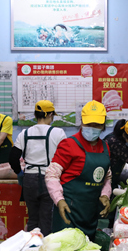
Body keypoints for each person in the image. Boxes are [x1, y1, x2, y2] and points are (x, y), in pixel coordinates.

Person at [45, 101, 112, 240]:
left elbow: (107, 177)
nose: (92, 128)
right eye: (88, 124)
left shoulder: (105, 147)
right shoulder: (69, 144)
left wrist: (105, 195)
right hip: (68, 211)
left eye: (97, 125)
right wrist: (59, 200)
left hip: (90, 213)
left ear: (104, 124)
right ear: (81, 122)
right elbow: (51, 175)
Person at [9, 100, 66, 236]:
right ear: (50, 114)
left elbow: (12, 158)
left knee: (33, 218)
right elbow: (66, 158)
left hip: (29, 179)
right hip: (49, 180)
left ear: (35, 115)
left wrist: (20, 173)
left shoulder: (24, 133)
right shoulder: (58, 133)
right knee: (46, 218)